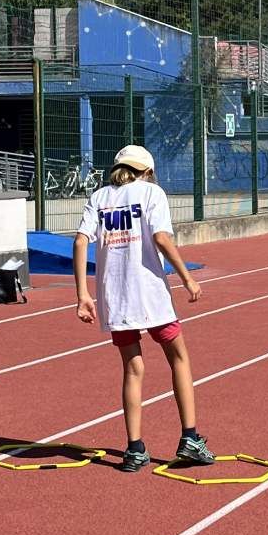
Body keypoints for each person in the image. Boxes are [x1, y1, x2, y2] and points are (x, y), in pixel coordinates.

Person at [75, 144, 211, 473]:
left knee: (132, 369)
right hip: (150, 294)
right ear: (147, 171)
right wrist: (187, 278)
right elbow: (162, 238)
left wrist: (82, 295)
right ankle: (190, 438)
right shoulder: (152, 193)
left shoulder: (100, 197)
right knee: (179, 358)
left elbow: (80, 241)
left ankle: (134, 448)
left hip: (115, 297)